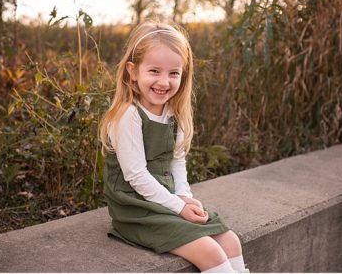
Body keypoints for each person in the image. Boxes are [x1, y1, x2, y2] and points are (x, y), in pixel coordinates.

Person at [98, 22, 247, 273]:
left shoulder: (173, 112)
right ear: (133, 71)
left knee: (230, 241)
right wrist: (179, 208)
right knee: (209, 251)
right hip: (135, 209)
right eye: (154, 71)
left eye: (173, 73)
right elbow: (136, 175)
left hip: (166, 199)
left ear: (183, 74)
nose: (164, 82)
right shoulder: (128, 115)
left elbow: (177, 160)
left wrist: (184, 196)